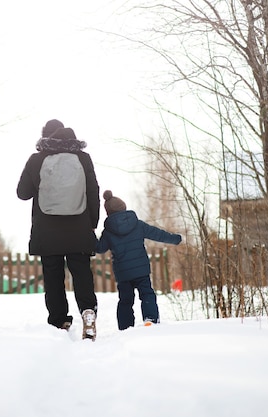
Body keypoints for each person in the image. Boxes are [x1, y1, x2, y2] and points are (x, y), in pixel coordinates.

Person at [17, 119, 100, 340]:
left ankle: (59, 321)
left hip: (47, 230)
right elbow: (93, 190)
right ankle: (88, 312)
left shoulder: (37, 160)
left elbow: (22, 193)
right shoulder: (83, 158)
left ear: (46, 137)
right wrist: (92, 222)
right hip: (79, 228)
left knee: (53, 277)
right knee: (82, 273)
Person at [96, 190, 182, 330]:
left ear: (108, 213)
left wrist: (89, 235)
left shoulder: (108, 231)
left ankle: (125, 326)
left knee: (125, 300)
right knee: (147, 294)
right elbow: (157, 234)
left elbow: (99, 248)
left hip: (123, 273)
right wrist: (175, 238)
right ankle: (150, 319)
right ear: (124, 207)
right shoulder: (137, 224)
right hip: (141, 270)